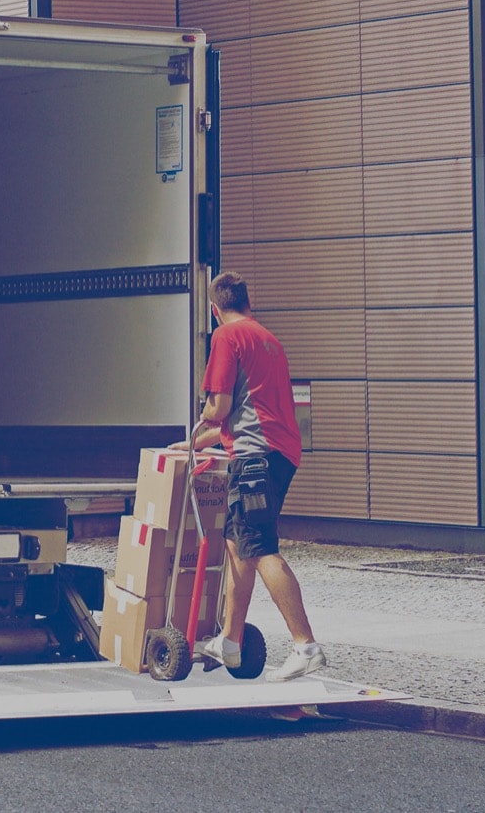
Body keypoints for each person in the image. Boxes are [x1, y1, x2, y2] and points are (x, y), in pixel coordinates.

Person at [170, 270, 325, 682]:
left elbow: (219, 407)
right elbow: (249, 410)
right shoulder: (267, 339)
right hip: (278, 454)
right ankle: (230, 642)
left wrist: (201, 418)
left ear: (215, 309)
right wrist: (200, 442)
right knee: (239, 545)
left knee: (259, 547)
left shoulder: (226, 337)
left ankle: (305, 645)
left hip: (254, 460)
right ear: (246, 302)